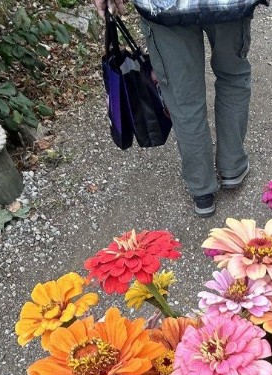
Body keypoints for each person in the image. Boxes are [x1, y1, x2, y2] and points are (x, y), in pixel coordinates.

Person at [94, 0, 262, 217]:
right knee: (232, 77)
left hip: (165, 8)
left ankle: (202, 188)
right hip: (229, 5)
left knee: (183, 96)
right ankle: (232, 168)